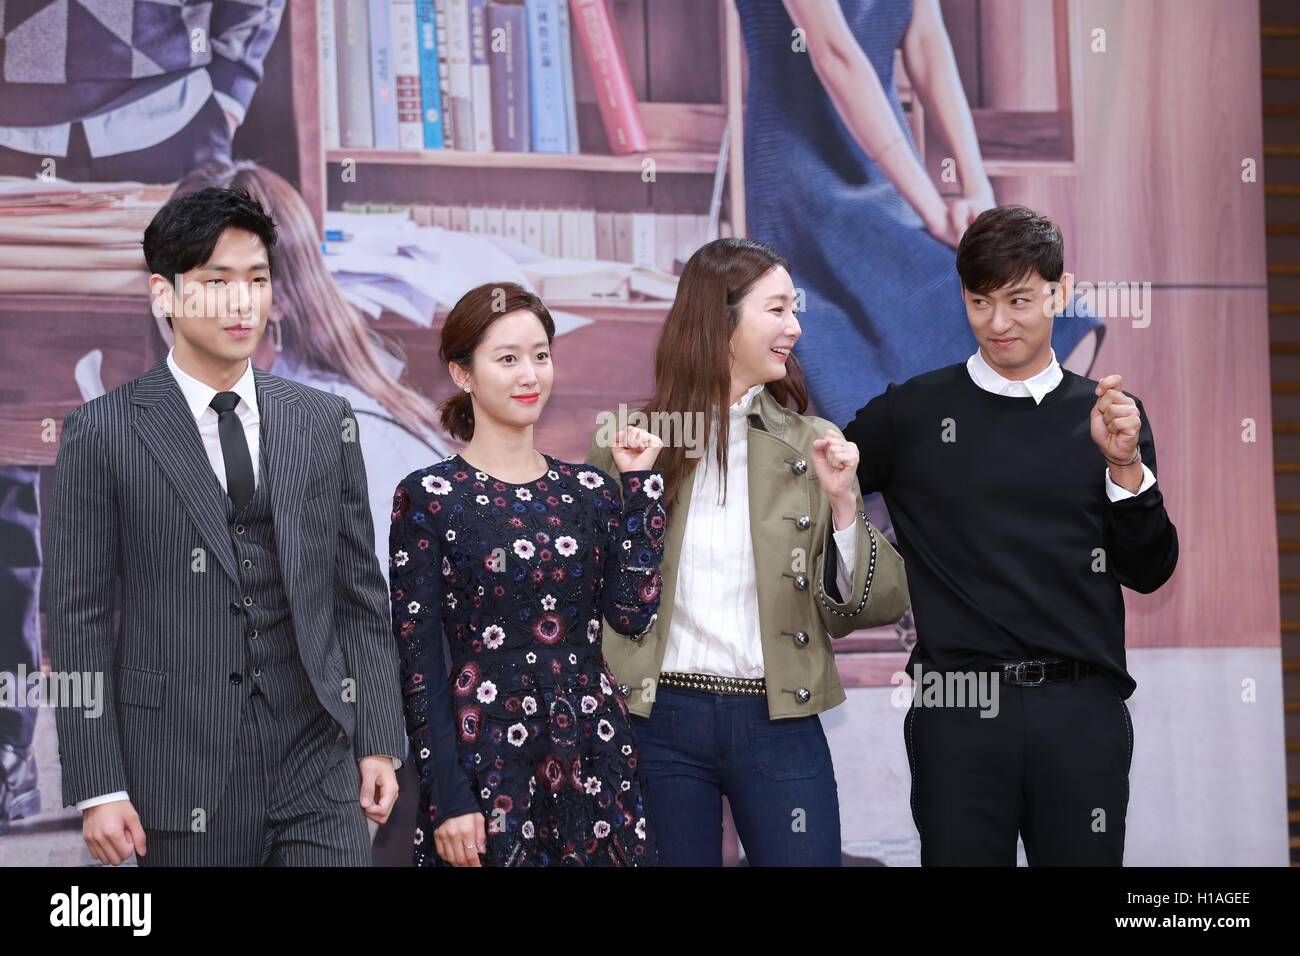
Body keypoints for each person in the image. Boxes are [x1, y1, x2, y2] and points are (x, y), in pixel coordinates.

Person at [42, 185, 407, 865]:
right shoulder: (102, 433)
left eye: (258, 280)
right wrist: (98, 785)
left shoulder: (324, 423)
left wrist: (379, 737)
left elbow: (360, 596)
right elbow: (78, 621)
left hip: (316, 771)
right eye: (217, 282)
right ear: (164, 294)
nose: (243, 302)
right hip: (177, 773)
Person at [842, 205, 1179, 865]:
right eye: (980, 302)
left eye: (1020, 300)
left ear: (1059, 291)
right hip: (956, 711)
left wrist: (1125, 467)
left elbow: (1149, 568)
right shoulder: (909, 412)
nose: (999, 323)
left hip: (1081, 710)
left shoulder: (1109, 416)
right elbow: (817, 482)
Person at [585, 238, 910, 866]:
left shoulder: (815, 444)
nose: (795, 327)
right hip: (658, 721)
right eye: (777, 310)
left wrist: (845, 505)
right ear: (720, 320)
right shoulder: (629, 442)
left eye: (795, 309)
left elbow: (873, 608)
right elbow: (597, 596)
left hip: (778, 718)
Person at [389, 281, 666, 867]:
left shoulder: (590, 491)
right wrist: (447, 796)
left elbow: (632, 613)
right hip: (486, 760)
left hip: (595, 754)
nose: (529, 375)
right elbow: (419, 665)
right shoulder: (430, 497)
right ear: (462, 373)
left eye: (541, 356)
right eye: (507, 358)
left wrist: (640, 489)